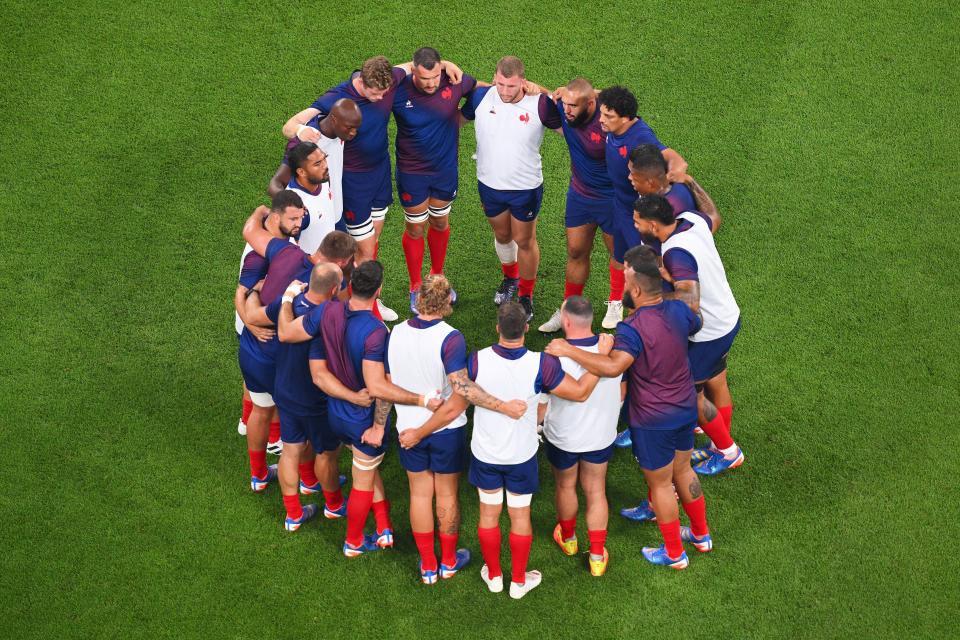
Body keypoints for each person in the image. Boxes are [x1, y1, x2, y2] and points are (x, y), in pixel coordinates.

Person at [547, 246, 714, 570]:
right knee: (683, 471)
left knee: (662, 485)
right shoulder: (679, 310)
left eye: (625, 277)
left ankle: (674, 553)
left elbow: (612, 367)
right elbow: (696, 321)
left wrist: (568, 348)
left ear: (637, 289)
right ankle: (701, 534)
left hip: (654, 419)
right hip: (683, 406)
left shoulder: (632, 328)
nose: (622, 282)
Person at [282, 56, 464, 321]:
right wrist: (299, 131)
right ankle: (368, 309)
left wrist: (447, 64)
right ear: (361, 82)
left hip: (380, 174)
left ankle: (368, 300)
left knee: (372, 241)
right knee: (364, 250)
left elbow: (414, 65)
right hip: (353, 181)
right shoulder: (337, 96)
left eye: (384, 92)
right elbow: (289, 125)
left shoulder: (390, 80)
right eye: (375, 93)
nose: (381, 98)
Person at [387, 274, 527, 584]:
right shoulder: (451, 338)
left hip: (408, 429)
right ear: (448, 301)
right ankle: (448, 561)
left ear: (417, 299)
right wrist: (503, 406)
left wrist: (394, 426)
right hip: (444, 431)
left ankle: (427, 566)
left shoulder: (394, 333)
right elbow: (462, 390)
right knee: (446, 493)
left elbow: (386, 386)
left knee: (419, 495)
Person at [470, 301, 607, 599]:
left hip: (486, 453)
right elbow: (581, 392)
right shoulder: (541, 364)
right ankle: (518, 581)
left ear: (497, 329)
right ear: (527, 328)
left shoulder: (476, 360)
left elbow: (460, 394)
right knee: (520, 516)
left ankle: (494, 576)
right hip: (520, 456)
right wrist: (602, 357)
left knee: (488, 514)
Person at [309, 261, 444, 557]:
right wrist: (384, 422)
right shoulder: (376, 332)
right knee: (362, 481)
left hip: (336, 412)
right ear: (379, 290)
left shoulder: (328, 311)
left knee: (365, 470)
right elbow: (381, 387)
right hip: (363, 419)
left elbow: (317, 371)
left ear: (350, 285)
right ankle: (354, 542)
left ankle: (383, 526)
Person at [631, 194, 743, 477]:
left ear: (654, 226)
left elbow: (690, 301)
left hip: (710, 331)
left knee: (689, 395)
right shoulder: (691, 220)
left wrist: (651, 297)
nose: (635, 225)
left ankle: (728, 451)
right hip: (726, 316)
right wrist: (690, 179)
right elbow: (713, 213)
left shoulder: (674, 252)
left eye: (638, 221)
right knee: (715, 378)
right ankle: (717, 442)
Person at [461, 56, 562, 322]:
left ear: (523, 82)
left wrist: (544, 90)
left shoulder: (539, 104)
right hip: (489, 184)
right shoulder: (481, 97)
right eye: (501, 84)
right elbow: (453, 121)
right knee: (503, 235)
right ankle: (510, 278)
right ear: (494, 77)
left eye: (512, 86)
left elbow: (569, 127)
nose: (505, 92)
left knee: (525, 240)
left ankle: (526, 296)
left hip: (525, 187)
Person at [537, 296, 622, 576]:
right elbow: (622, 390)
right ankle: (597, 556)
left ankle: (570, 539)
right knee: (596, 490)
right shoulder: (613, 351)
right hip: (600, 436)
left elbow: (541, 402)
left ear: (567, 322)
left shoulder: (553, 356)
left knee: (565, 487)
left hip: (563, 438)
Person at [392, 47, 478, 313]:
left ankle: (438, 276)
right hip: (412, 172)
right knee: (416, 228)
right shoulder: (398, 89)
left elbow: (481, 92)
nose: (430, 84)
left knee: (440, 222)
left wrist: (461, 117)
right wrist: (444, 61)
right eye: (424, 78)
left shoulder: (453, 81)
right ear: (413, 71)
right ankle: (416, 286)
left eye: (434, 77)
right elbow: (366, 76)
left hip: (444, 170)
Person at [598, 86, 688, 328]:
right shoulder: (614, 117)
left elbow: (674, 158)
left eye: (608, 116)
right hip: (620, 205)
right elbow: (596, 95)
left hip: (637, 212)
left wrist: (678, 174)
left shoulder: (641, 136)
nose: (601, 120)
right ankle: (616, 300)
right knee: (618, 256)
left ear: (626, 118)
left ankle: (649, 312)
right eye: (602, 113)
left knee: (644, 264)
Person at [537, 78, 621, 332]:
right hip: (580, 196)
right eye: (566, 104)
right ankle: (569, 309)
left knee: (617, 253)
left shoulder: (608, 118)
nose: (568, 110)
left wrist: (591, 92)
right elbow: (534, 90)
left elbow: (621, 99)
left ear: (592, 103)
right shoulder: (564, 108)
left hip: (612, 198)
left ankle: (616, 301)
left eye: (574, 105)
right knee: (575, 251)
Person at [236, 192, 307, 490]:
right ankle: (304, 482)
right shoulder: (258, 255)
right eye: (292, 218)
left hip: (264, 334)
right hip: (261, 334)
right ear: (275, 218)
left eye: (300, 217)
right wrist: (251, 324)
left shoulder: (278, 242)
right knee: (272, 407)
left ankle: (261, 471)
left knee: (264, 404)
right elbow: (240, 294)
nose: (298, 223)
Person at [267, 262, 343, 531]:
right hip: (314, 398)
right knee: (327, 453)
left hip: (285, 391)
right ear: (334, 289)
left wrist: (287, 297)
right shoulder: (329, 314)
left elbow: (260, 318)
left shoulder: (289, 300)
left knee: (290, 451)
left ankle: (294, 514)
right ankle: (334, 505)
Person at [268, 97, 361, 204]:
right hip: (314, 216)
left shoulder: (341, 132)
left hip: (335, 210)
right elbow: (276, 183)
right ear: (334, 120)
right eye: (349, 128)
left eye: (356, 128)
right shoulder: (305, 143)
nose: (353, 133)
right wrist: (294, 204)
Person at [284, 142, 335, 255]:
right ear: (301, 172)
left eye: (324, 159)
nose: (325, 166)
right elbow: (289, 249)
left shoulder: (322, 180)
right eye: (317, 164)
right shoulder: (296, 207)